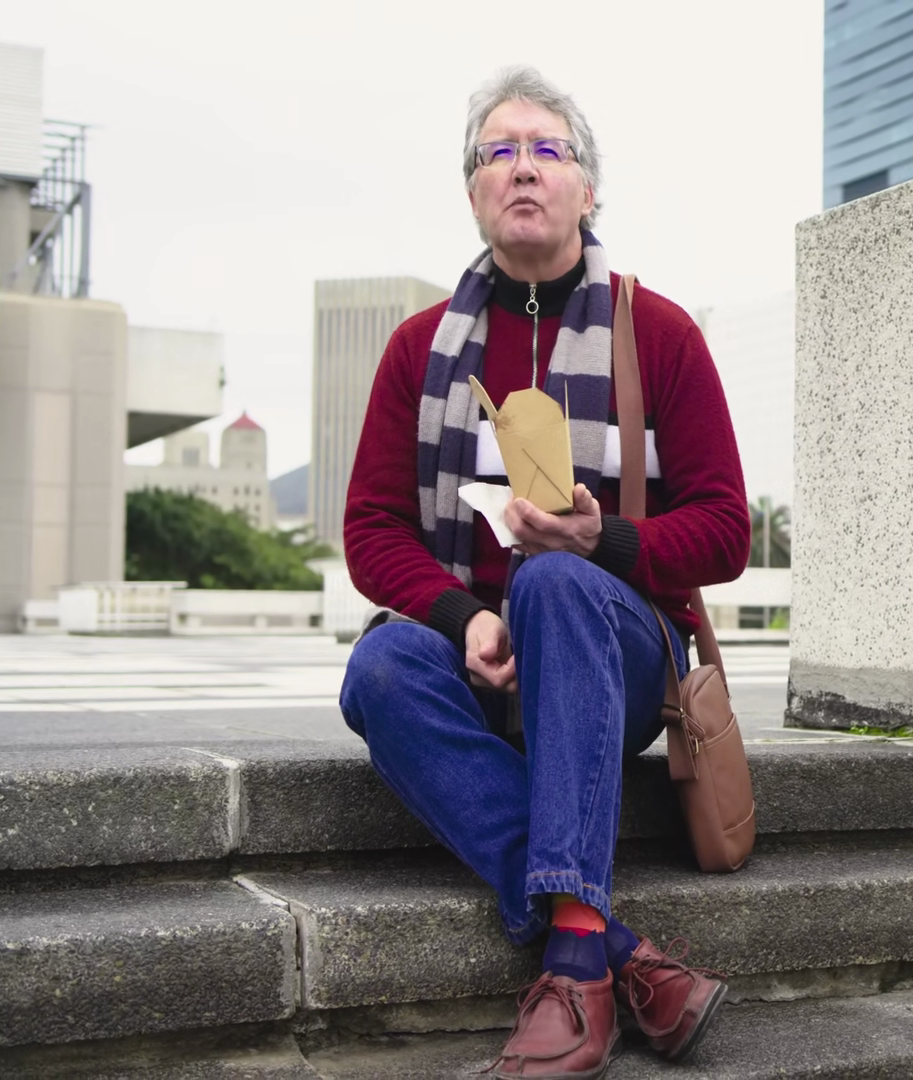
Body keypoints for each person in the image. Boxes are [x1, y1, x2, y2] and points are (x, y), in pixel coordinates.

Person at [338, 66, 750, 1078]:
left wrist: (604, 544)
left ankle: (571, 975)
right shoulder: (418, 351)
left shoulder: (659, 334)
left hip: (617, 654)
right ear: (473, 190)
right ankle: (619, 952)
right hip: (484, 655)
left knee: (553, 582)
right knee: (380, 670)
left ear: (587, 189)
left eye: (546, 150)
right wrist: (462, 619)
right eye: (499, 152)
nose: (522, 168)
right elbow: (371, 530)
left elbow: (725, 531)